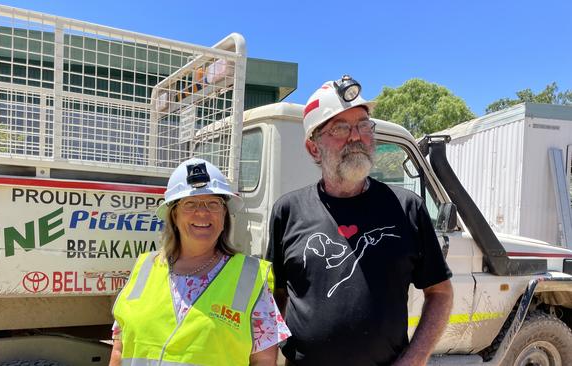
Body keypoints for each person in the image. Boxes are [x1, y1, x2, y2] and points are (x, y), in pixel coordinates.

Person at [266, 75, 454, 366]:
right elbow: (277, 295)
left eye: (364, 126)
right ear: (313, 148)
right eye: (340, 128)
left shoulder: (406, 208)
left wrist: (414, 360)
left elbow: (440, 293)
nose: (356, 137)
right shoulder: (288, 211)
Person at [110, 158, 290, 366]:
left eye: (213, 203)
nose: (203, 212)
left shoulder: (249, 277)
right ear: (174, 215)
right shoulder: (145, 268)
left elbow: (264, 361)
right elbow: (119, 350)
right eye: (190, 204)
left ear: (224, 214)